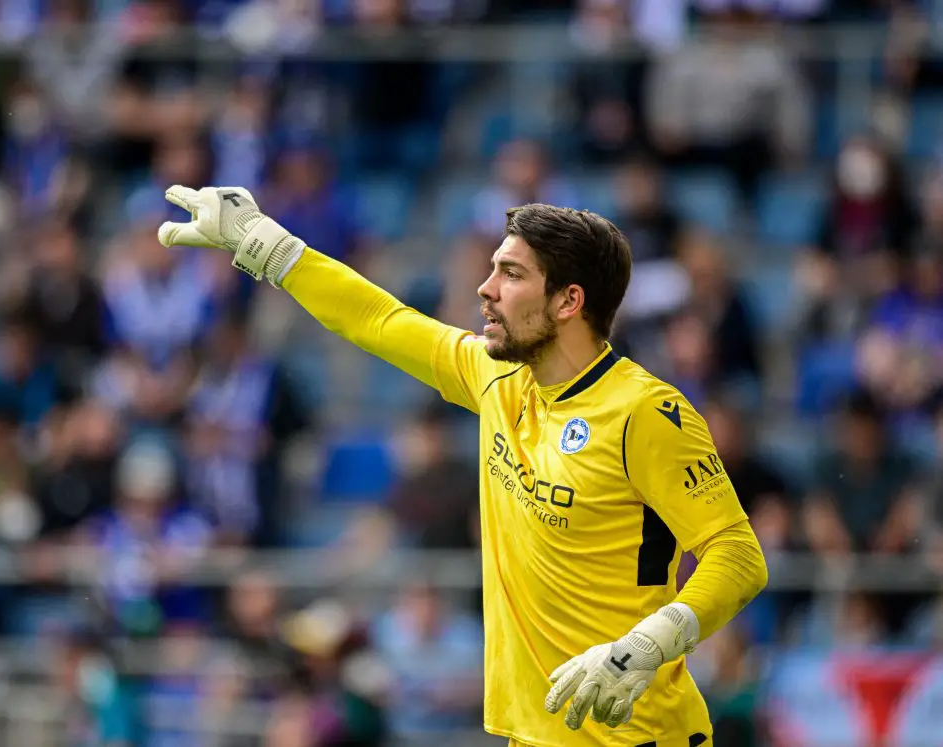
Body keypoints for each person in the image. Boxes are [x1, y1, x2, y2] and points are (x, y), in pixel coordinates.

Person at [157, 186, 769, 747]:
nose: (485, 288)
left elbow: (738, 556)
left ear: (569, 301)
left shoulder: (646, 412)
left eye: (511, 273)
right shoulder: (497, 377)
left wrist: (648, 644)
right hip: (534, 733)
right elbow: (378, 319)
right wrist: (267, 245)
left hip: (638, 735)